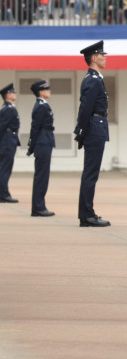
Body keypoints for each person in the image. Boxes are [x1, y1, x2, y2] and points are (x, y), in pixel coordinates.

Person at [74, 41, 111, 227]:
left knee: (91, 173)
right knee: (90, 174)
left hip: (97, 127)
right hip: (94, 128)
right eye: (102, 55)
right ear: (94, 58)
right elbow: (86, 108)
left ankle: (87, 213)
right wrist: (81, 131)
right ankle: (86, 215)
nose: (105, 57)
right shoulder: (92, 79)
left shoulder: (95, 78)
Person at [27, 80, 55, 217]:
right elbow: (35, 127)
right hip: (42, 143)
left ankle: (40, 206)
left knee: (43, 176)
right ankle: (38, 208)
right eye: (46, 89)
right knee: (41, 176)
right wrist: (31, 146)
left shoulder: (43, 105)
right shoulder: (41, 106)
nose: (49, 90)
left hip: (45, 141)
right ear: (40, 92)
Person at [0, 83, 20, 203]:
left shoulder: (9, 108)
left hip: (8, 140)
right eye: (13, 92)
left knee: (5, 168)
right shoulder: (8, 109)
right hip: (7, 141)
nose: (15, 94)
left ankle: (4, 193)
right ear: (8, 95)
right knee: (5, 169)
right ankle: (4, 195)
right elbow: (1, 127)